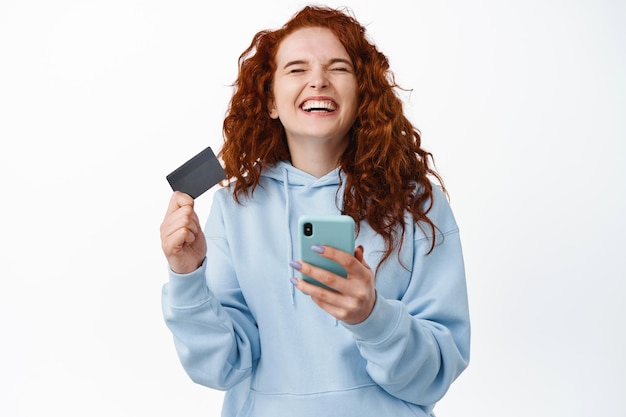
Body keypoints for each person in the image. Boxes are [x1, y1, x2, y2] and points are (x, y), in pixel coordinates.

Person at [160, 5, 470, 417]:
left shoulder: (417, 203)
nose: (318, 81)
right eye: (296, 69)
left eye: (338, 67)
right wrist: (186, 276)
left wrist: (372, 317)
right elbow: (220, 367)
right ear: (270, 100)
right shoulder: (234, 206)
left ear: (362, 94)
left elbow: (434, 375)